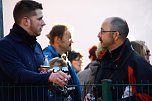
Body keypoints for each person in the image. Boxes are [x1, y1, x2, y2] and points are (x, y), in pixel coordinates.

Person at [0, 1, 69, 101]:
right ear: (26, 21)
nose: (44, 23)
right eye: (39, 19)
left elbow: (39, 77)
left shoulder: (37, 46)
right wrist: (48, 77)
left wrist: (54, 76)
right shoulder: (5, 45)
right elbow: (19, 74)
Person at [85, 17, 152, 101]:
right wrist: (91, 95)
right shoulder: (104, 59)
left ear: (115, 35)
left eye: (102, 31)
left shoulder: (136, 63)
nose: (98, 35)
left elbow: (147, 96)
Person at [43, 25, 82, 101]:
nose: (72, 41)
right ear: (58, 39)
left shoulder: (64, 58)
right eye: (69, 38)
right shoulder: (46, 58)